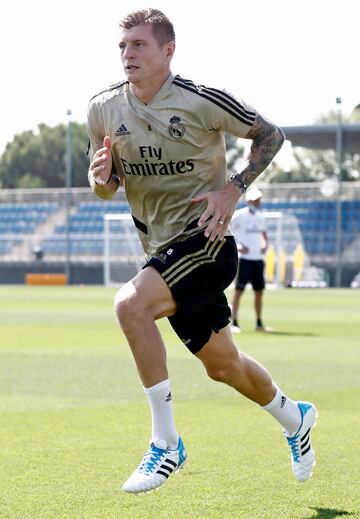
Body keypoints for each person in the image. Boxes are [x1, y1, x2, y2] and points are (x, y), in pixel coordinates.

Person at [87, 8, 317, 494]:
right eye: (123, 46)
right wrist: (101, 178)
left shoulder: (199, 100)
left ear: (168, 50)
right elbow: (105, 185)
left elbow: (271, 136)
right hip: (162, 251)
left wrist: (232, 189)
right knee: (223, 366)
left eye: (139, 45)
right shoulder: (103, 109)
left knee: (130, 305)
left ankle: (166, 443)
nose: (128, 54)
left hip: (208, 243)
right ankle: (295, 417)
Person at [230, 186, 271, 333]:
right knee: (239, 290)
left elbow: (264, 235)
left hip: (258, 259)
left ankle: (259, 323)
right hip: (244, 259)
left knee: (259, 291)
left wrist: (265, 245)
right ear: (250, 201)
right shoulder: (239, 216)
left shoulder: (261, 217)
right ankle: (234, 321)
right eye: (256, 199)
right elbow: (228, 230)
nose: (259, 202)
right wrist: (239, 246)